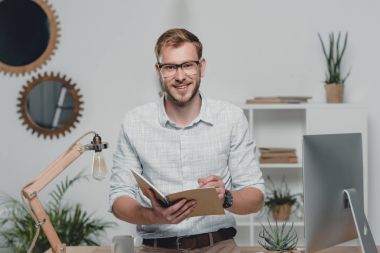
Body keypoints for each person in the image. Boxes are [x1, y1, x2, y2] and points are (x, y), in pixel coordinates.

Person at [109, 28, 265, 253]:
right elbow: (118, 198)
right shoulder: (135, 122)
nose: (180, 76)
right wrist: (152, 215)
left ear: (201, 67)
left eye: (187, 65)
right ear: (158, 71)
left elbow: (255, 197)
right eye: (170, 67)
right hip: (156, 248)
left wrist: (226, 197)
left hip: (218, 247)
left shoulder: (231, 118)